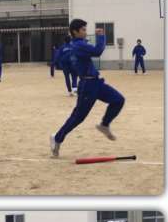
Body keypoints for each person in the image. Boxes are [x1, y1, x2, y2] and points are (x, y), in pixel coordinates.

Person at [50, 20, 125, 157]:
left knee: (118, 100)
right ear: (75, 32)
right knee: (78, 117)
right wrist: (101, 36)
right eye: (83, 30)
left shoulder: (78, 45)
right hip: (87, 86)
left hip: (96, 83)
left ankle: (104, 125)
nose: (85, 32)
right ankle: (57, 138)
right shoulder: (78, 45)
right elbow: (97, 51)